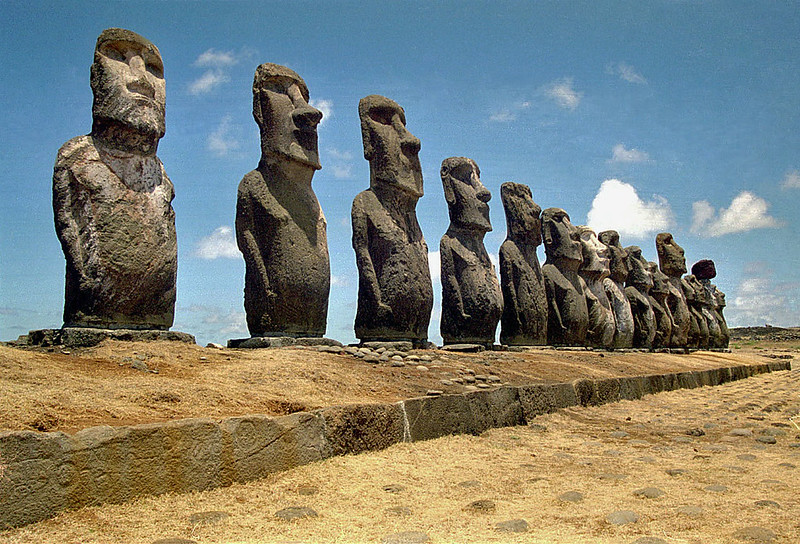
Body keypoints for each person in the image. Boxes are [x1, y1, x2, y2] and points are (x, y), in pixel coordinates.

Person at [53, 28, 176, 330]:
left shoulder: (161, 174)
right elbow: (78, 249)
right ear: (96, 78)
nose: (142, 79)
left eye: (154, 69)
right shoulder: (78, 157)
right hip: (94, 311)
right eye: (118, 57)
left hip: (154, 312)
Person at [236, 63, 330, 338]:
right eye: (279, 90)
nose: (308, 112)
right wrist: (266, 290)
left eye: (304, 97)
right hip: (272, 311)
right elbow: (248, 241)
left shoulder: (310, 195)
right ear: (259, 110)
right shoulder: (255, 184)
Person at [351, 95, 433, 346]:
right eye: (385, 121)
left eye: (403, 124)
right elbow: (363, 255)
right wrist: (378, 302)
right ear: (367, 139)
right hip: (381, 321)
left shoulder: (411, 215)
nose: (411, 140)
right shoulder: (366, 202)